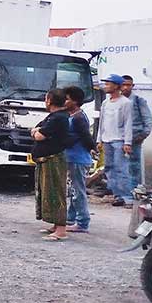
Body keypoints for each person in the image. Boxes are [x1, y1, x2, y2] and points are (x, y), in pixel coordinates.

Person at [31, 88, 71, 241]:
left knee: (56, 192)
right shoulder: (54, 116)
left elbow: (39, 135)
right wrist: (37, 131)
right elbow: (37, 129)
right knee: (48, 192)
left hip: (54, 160)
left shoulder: (58, 118)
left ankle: (61, 230)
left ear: (50, 101)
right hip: (47, 159)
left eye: (46, 99)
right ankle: (55, 224)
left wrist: (37, 132)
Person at [96, 74, 133, 207]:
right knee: (109, 168)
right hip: (107, 139)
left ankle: (127, 197)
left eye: (108, 84)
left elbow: (128, 123)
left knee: (121, 168)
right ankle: (117, 195)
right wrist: (99, 139)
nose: (106, 86)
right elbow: (101, 122)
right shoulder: (105, 103)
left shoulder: (125, 103)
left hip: (119, 140)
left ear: (116, 86)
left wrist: (127, 142)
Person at [63, 86, 96, 233]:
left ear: (75, 101)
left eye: (67, 99)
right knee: (73, 191)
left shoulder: (78, 118)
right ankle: (70, 218)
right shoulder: (73, 116)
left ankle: (82, 222)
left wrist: (92, 149)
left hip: (78, 159)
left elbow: (86, 138)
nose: (64, 101)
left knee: (78, 192)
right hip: (73, 158)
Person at [121, 75, 152, 189]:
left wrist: (143, 135)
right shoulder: (115, 100)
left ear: (132, 86)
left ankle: (133, 190)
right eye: (123, 85)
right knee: (120, 165)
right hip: (119, 138)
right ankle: (122, 191)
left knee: (134, 165)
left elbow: (148, 119)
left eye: (128, 85)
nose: (125, 87)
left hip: (135, 137)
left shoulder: (138, 100)